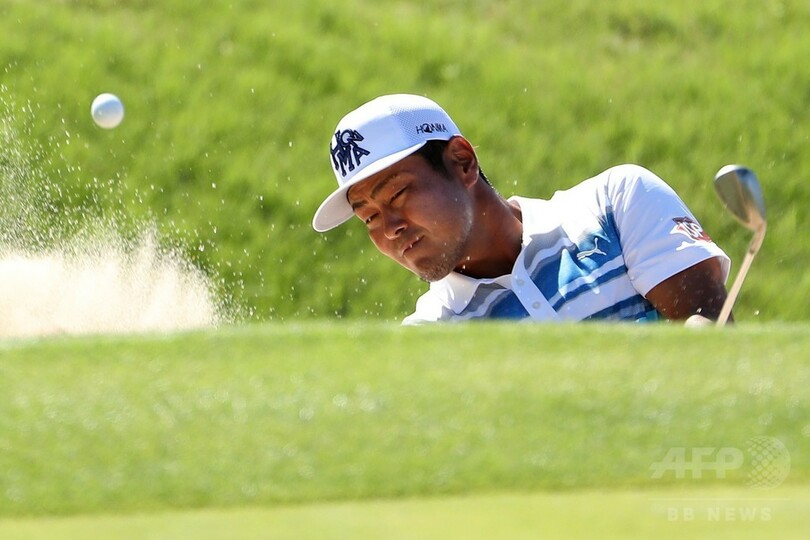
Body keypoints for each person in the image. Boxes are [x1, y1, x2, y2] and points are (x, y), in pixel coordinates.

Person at [312, 94, 730, 325]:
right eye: (369, 217)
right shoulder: (430, 337)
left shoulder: (616, 203)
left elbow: (710, 338)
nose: (389, 229)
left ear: (462, 162)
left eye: (398, 194)